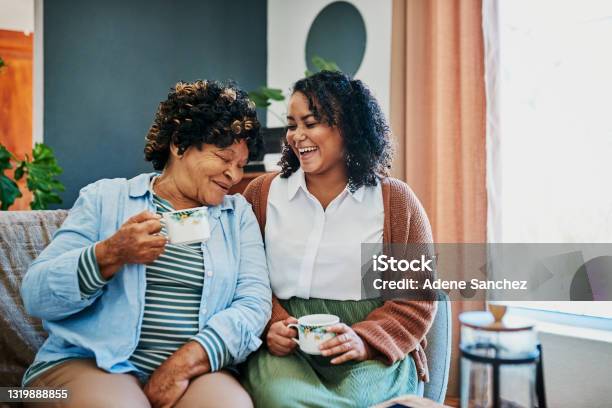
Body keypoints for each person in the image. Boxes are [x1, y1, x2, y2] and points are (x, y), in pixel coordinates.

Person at [20, 80, 271, 408]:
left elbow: (253, 303)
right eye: (224, 158)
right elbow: (35, 295)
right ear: (179, 145)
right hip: (90, 362)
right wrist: (108, 254)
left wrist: (183, 365)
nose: (234, 176)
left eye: (241, 165)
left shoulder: (236, 216)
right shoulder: (105, 199)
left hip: (195, 371)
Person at [241, 71, 437, 407]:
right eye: (292, 125)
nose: (297, 135)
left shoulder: (396, 202)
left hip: (368, 347)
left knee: (362, 402)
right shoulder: (261, 195)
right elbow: (243, 278)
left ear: (348, 127)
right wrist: (270, 325)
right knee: (280, 398)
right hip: (287, 347)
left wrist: (363, 340)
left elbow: (416, 297)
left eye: (311, 122)